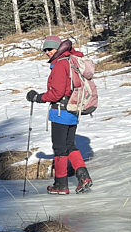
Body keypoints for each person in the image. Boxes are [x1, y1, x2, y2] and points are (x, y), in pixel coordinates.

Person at [26, 36, 93, 194]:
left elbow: (56, 93)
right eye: (45, 50)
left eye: (50, 49)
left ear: (58, 48)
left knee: (59, 148)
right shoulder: (70, 61)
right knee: (70, 145)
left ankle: (61, 185)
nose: (47, 52)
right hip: (73, 109)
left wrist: (37, 97)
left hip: (60, 112)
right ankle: (84, 178)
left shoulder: (60, 64)